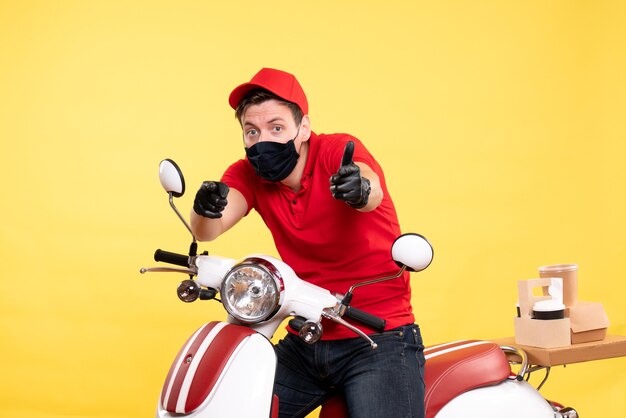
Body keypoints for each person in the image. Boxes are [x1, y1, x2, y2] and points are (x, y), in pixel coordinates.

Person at [190, 68, 425, 418]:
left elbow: (369, 188)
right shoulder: (247, 174)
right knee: (234, 406)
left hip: (378, 337)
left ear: (303, 128)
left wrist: (357, 188)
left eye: (276, 127)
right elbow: (209, 230)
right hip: (307, 334)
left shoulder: (336, 151)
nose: (263, 140)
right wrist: (204, 208)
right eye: (251, 131)